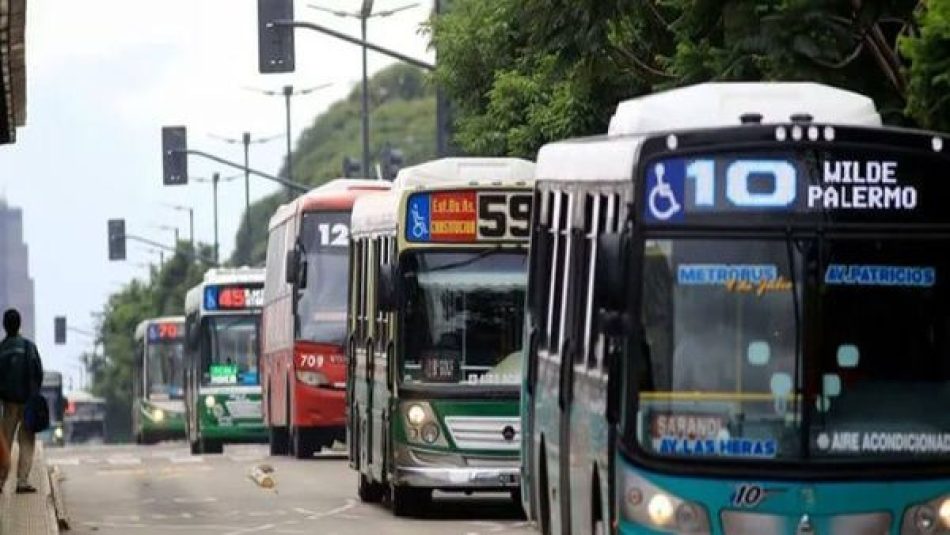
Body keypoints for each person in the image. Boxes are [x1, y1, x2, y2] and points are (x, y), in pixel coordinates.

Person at [0, 308, 43, 494]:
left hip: (8, 404)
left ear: (4, 326)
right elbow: (38, 372)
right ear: (19, 325)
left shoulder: (1, 349)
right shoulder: (29, 347)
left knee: (4, 441)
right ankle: (22, 481)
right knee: (27, 440)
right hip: (27, 402)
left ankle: (1, 480)